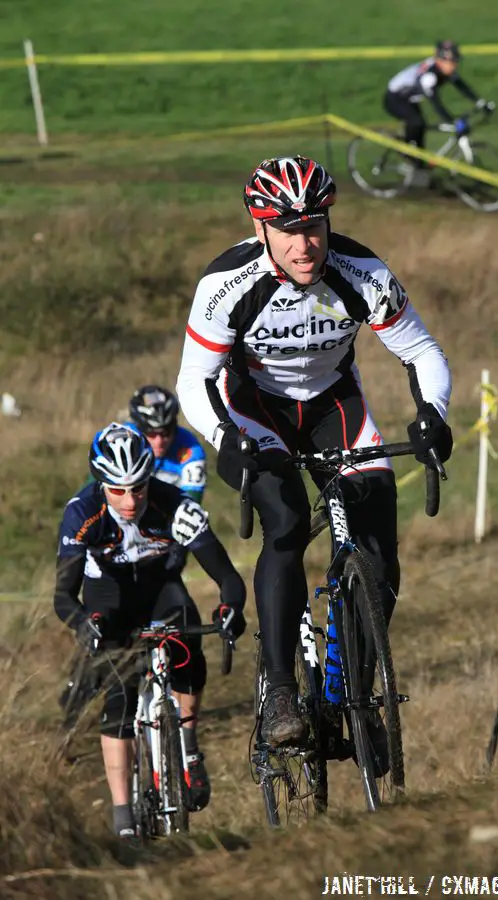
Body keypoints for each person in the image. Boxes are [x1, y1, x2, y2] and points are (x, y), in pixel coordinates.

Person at [177, 155, 452, 751]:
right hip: (255, 411)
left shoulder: (362, 272)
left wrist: (433, 415)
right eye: (288, 230)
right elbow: (193, 380)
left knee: (378, 548)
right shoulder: (227, 285)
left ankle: (351, 694)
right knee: (288, 523)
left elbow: (422, 351)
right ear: (261, 230)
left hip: (335, 408)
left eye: (314, 227)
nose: (305, 245)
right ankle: (280, 691)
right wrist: (230, 442)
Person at [53, 422, 246, 838]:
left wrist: (231, 607)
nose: (129, 500)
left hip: (161, 589)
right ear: (100, 482)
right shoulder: (81, 513)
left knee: (188, 645)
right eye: (117, 489)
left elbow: (227, 576)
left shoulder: (174, 505)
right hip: (109, 597)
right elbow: (63, 597)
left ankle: (189, 749)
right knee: (119, 698)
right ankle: (123, 813)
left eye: (138, 488)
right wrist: (84, 623)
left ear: (149, 478)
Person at [383, 40, 494, 180]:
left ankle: (417, 170)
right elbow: (436, 104)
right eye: (452, 62)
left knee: (420, 136)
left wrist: (481, 103)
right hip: (395, 99)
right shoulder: (429, 76)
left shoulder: (446, 70)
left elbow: (463, 87)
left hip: (410, 99)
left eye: (456, 61)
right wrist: (451, 120)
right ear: (441, 61)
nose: (455, 65)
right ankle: (404, 150)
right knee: (417, 123)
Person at [127, 384, 207, 502]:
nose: (159, 441)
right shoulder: (123, 438)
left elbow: (191, 504)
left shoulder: (191, 447)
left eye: (166, 433)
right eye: (151, 434)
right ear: (139, 429)